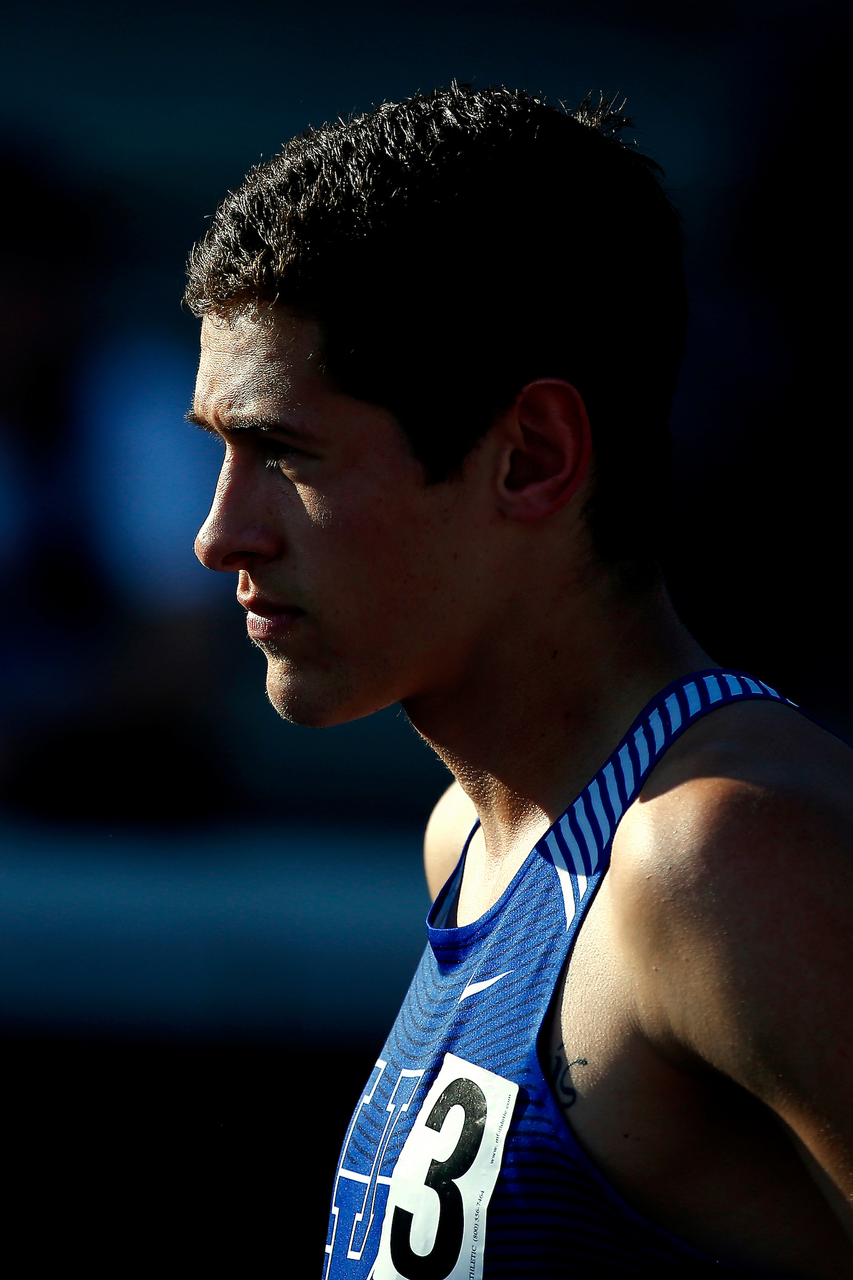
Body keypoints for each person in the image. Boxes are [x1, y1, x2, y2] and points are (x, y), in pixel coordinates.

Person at [185, 84, 853, 1278]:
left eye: (283, 453)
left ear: (532, 458)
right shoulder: (471, 833)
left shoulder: (726, 861)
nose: (219, 535)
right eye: (220, 450)